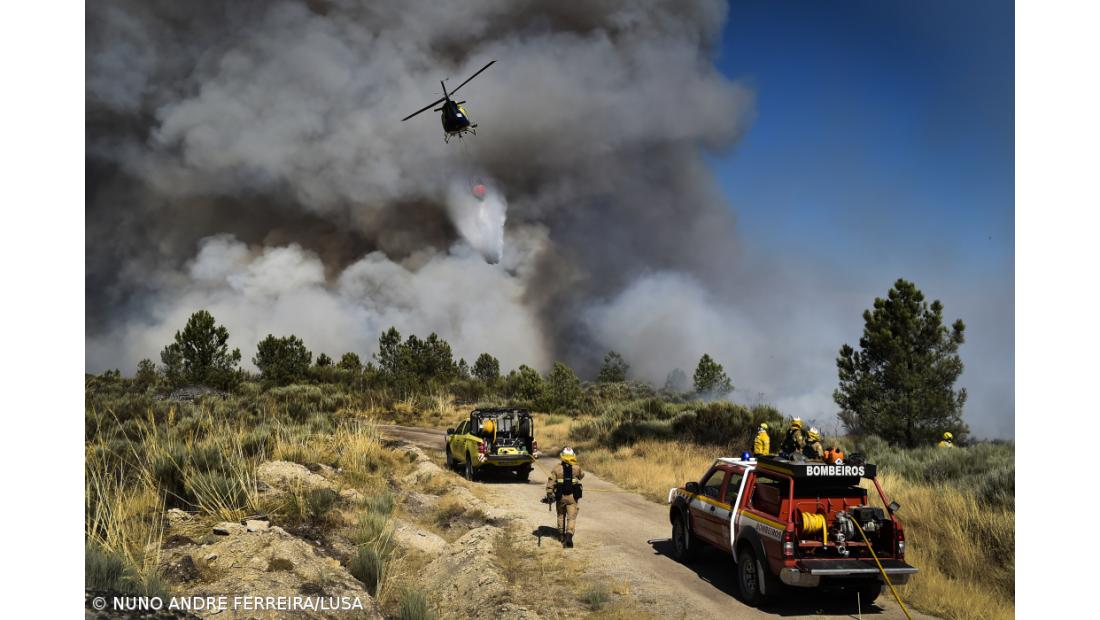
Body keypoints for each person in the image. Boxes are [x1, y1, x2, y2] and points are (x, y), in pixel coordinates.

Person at [545, 447, 585, 548]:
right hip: (572, 497)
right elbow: (581, 476)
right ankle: (569, 535)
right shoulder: (576, 468)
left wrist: (549, 493)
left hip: (560, 497)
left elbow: (551, 481)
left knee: (560, 515)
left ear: (562, 456)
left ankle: (561, 535)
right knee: (571, 518)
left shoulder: (557, 468)